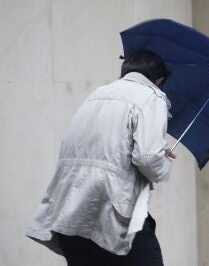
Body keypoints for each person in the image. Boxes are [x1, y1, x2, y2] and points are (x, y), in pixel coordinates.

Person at [26, 49, 176, 266]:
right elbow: (147, 159)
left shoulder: (96, 96)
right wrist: (165, 163)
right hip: (116, 220)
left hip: (72, 213)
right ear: (159, 80)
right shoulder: (151, 96)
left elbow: (105, 149)